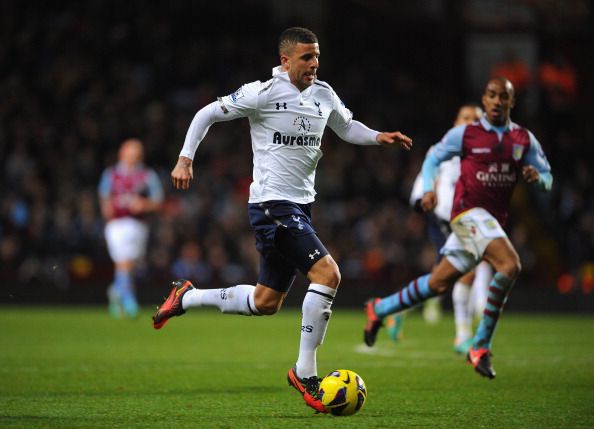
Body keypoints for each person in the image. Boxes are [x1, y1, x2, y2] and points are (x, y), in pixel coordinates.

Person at [151, 27, 412, 413]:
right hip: (273, 206)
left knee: (266, 301)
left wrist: (378, 137)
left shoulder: (323, 93)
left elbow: (345, 126)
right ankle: (304, 372)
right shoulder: (262, 93)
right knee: (329, 275)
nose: (314, 64)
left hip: (300, 206)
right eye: (307, 57)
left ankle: (186, 296)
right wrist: (185, 157)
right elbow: (207, 112)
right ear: (286, 60)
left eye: (317, 56)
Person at [363, 77, 552, 379]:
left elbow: (547, 177)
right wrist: (427, 189)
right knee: (510, 264)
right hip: (466, 216)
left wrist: (537, 177)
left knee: (438, 283)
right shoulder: (466, 135)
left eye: (504, 96)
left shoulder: (523, 140)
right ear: (485, 99)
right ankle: (479, 346)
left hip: (490, 222)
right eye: (491, 95)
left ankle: (380, 309)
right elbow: (432, 158)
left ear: (511, 102)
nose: (497, 101)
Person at [386, 104, 493, 355]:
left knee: (441, 279)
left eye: (475, 120)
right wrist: (420, 199)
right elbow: (425, 179)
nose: (470, 122)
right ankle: (463, 336)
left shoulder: (482, 154)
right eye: (465, 117)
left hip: (466, 221)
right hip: (445, 221)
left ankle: (398, 309)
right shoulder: (444, 149)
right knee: (466, 273)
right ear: (456, 121)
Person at [98, 138, 164, 318]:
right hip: (117, 224)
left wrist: (144, 204)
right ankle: (129, 300)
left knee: (130, 264)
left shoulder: (147, 175)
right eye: (130, 152)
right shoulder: (110, 174)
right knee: (123, 260)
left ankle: (115, 291)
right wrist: (107, 207)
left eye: (137, 152)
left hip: (139, 225)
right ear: (122, 153)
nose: (134, 156)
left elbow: (158, 201)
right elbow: (104, 198)